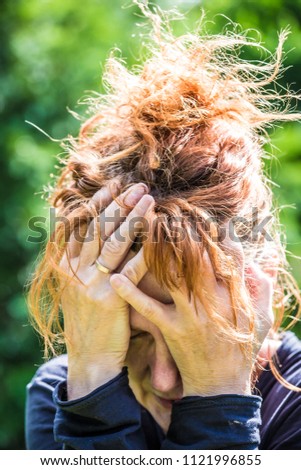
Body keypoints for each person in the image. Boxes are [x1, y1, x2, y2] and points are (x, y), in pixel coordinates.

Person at [25, 5, 301, 450]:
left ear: (262, 283)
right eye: (131, 337)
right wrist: (93, 384)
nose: (165, 380)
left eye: (195, 328)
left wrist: (219, 400)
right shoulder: (64, 392)